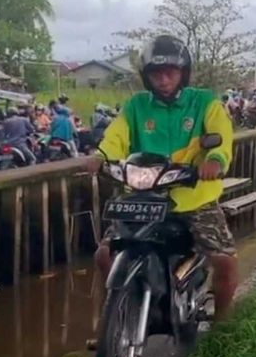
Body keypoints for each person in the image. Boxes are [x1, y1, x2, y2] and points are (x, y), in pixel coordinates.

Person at [86, 34, 237, 322]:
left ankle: (224, 322)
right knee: (104, 255)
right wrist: (101, 156)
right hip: (142, 197)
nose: (164, 79)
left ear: (183, 73)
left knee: (224, 260)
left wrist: (215, 160)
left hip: (193, 198)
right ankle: (110, 323)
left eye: (170, 72)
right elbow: (116, 136)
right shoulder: (136, 106)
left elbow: (222, 137)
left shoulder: (204, 102)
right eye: (157, 74)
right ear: (147, 76)